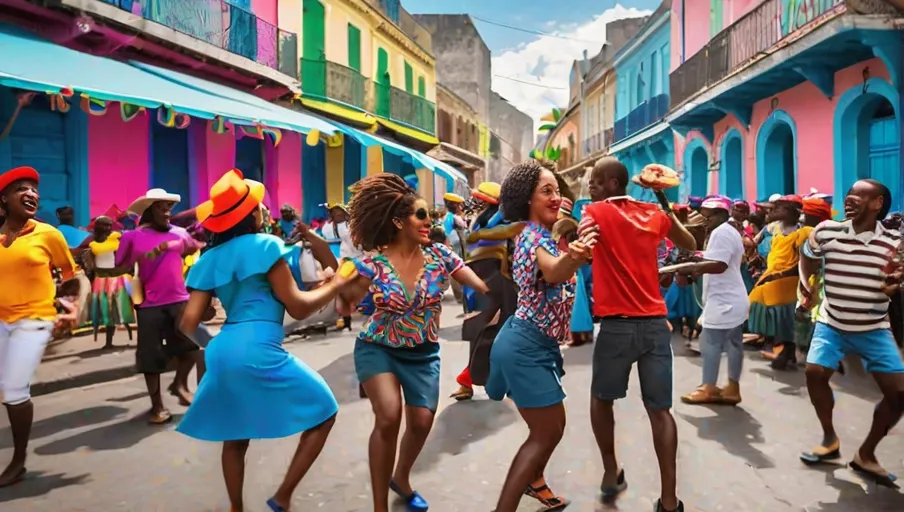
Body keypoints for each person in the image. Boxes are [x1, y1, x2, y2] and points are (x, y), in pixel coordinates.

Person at [176, 170, 347, 512]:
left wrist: (216, 343)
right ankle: (283, 497)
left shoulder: (209, 258)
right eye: (260, 207)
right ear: (252, 215)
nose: (265, 211)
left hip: (222, 349)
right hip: (259, 347)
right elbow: (298, 307)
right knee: (325, 411)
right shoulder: (267, 246)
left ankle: (236, 508)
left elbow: (188, 323)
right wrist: (336, 283)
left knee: (235, 436)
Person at [338, 174, 488, 512]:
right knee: (389, 416)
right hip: (378, 348)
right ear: (397, 222)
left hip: (423, 352)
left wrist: (504, 296)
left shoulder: (440, 256)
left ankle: (401, 478)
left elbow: (480, 285)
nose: (428, 222)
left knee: (420, 422)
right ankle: (379, 506)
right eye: (420, 215)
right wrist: (339, 285)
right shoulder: (372, 263)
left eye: (428, 216)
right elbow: (347, 302)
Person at [578, 157, 696, 512]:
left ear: (613, 183)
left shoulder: (595, 213)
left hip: (616, 326)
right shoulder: (652, 214)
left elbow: (584, 249)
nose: (591, 189)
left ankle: (611, 469)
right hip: (655, 326)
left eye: (596, 182)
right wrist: (662, 202)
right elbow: (688, 240)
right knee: (661, 411)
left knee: (601, 399)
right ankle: (670, 500)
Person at [484, 161, 593, 512]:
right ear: (526, 200)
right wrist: (572, 261)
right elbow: (554, 270)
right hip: (524, 346)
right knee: (544, 433)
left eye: (557, 191)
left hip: (536, 344)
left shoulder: (543, 235)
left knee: (553, 427)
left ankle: (536, 480)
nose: (556, 197)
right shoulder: (533, 237)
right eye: (546, 191)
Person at [798, 179, 904, 484]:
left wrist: (893, 286)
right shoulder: (826, 231)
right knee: (815, 372)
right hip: (832, 323)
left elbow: (894, 280)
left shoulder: (894, 242)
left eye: (860, 196)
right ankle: (829, 438)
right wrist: (807, 285)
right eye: (849, 195)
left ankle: (866, 455)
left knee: (898, 394)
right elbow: (807, 256)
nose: (850, 200)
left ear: (878, 204)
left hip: (874, 328)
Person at [0, 166, 79, 487]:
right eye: (21, 188)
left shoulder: (49, 234)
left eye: (34, 189)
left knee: (14, 389)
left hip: (34, 318)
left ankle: (18, 461)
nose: (31, 193)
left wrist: (73, 308)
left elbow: (72, 275)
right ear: (4, 199)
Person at [114, 188, 205, 424]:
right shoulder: (131, 237)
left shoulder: (180, 233)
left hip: (180, 300)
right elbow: (120, 266)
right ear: (147, 211)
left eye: (168, 208)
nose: (166, 213)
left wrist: (182, 247)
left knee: (192, 350)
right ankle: (158, 406)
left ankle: (179, 384)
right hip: (148, 305)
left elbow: (192, 248)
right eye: (160, 207)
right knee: (150, 358)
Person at [674, 196, 749, 405]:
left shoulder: (721, 232)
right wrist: (697, 258)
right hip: (731, 299)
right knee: (734, 344)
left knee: (710, 343)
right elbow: (715, 258)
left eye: (707, 216)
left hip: (724, 301)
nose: (703, 219)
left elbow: (719, 265)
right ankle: (732, 388)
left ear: (720, 215)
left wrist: (691, 267)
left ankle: (708, 387)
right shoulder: (727, 232)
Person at [749, 195, 813, 369]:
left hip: (789, 281)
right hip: (772, 277)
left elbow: (803, 262)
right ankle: (786, 349)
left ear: (793, 211)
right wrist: (756, 258)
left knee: (786, 317)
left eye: (779, 208)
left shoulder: (802, 233)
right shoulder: (774, 229)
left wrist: (780, 274)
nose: (773, 211)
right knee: (773, 316)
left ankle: (788, 350)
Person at [82, 216, 135, 348]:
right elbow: (85, 256)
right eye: (104, 225)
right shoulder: (91, 240)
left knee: (120, 308)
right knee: (106, 311)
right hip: (100, 279)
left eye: (109, 225)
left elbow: (126, 254)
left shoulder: (117, 238)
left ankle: (131, 336)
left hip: (117, 278)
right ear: (98, 226)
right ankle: (108, 342)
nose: (108, 228)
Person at [320, 203, 360, 331]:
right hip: (346, 260)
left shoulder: (354, 225)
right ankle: (345, 319)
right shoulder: (329, 227)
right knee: (339, 287)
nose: (337, 214)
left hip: (361, 259)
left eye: (339, 211)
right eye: (333, 212)